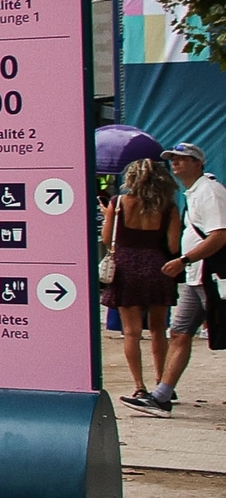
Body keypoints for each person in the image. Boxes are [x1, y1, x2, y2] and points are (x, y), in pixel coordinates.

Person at [125, 143, 226, 416]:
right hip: (196, 278)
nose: (176, 164)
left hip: (212, 275)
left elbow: (219, 236)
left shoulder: (210, 192)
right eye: (174, 160)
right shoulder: (193, 193)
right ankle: (162, 396)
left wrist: (184, 260)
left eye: (183, 159)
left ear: (199, 163)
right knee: (179, 333)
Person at [102, 159, 182, 403]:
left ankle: (139, 385)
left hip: (126, 269)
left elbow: (107, 239)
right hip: (158, 268)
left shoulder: (118, 204)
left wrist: (109, 217)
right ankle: (162, 383)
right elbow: (173, 245)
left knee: (131, 332)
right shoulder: (169, 207)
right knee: (158, 329)